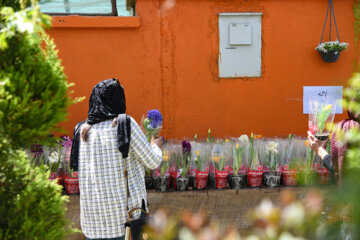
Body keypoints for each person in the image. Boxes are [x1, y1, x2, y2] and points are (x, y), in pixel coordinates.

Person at [70, 78, 162, 240]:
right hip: (125, 223)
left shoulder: (81, 131)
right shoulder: (124, 124)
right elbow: (152, 161)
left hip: (93, 226)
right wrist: (154, 144)